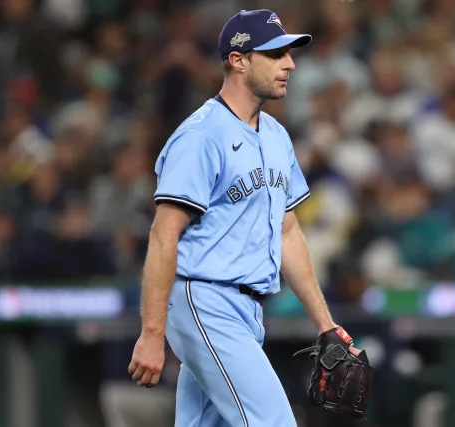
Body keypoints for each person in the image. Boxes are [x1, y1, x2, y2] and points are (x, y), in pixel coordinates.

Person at [127, 9, 360, 427]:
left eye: (289, 53)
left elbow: (288, 233)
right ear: (238, 60)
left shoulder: (276, 135)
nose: (289, 64)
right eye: (275, 54)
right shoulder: (201, 135)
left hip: (248, 310)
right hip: (204, 299)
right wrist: (152, 332)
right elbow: (163, 236)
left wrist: (326, 325)